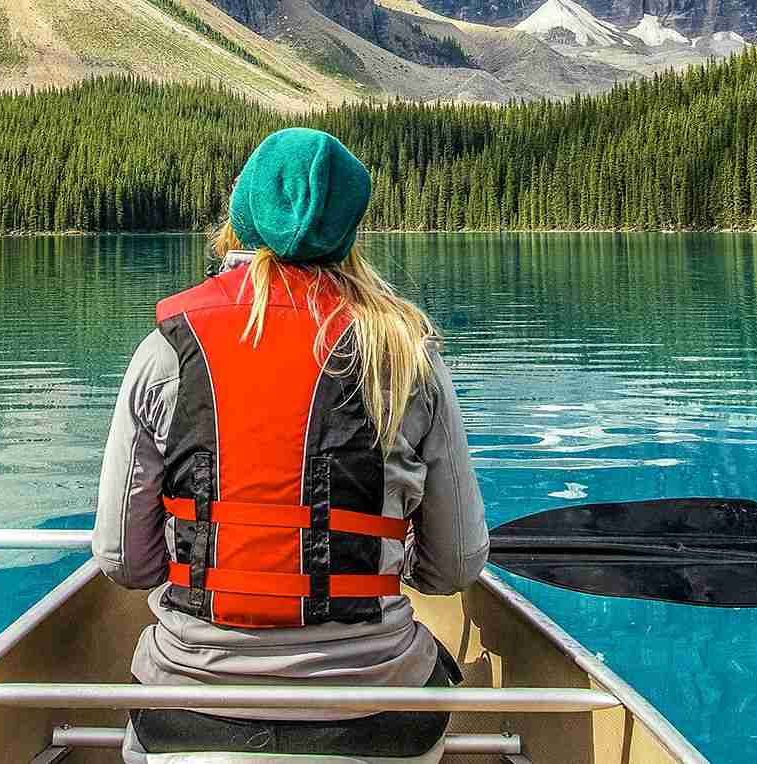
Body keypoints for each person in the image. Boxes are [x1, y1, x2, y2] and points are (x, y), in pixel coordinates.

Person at [93, 127, 489, 764]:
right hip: (375, 717)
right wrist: (379, 560)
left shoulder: (164, 353)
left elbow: (123, 563)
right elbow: (454, 569)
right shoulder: (406, 358)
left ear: (241, 220)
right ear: (348, 233)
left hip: (189, 713)